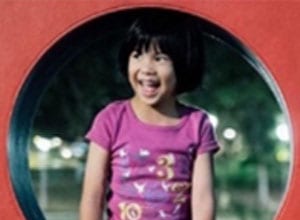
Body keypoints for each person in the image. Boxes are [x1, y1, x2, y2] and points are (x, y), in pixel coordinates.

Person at [80, 11, 219, 220]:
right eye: (137, 55)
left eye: (160, 58)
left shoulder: (197, 124)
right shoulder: (111, 119)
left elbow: (202, 199)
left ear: (182, 64)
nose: (146, 68)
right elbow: (93, 194)